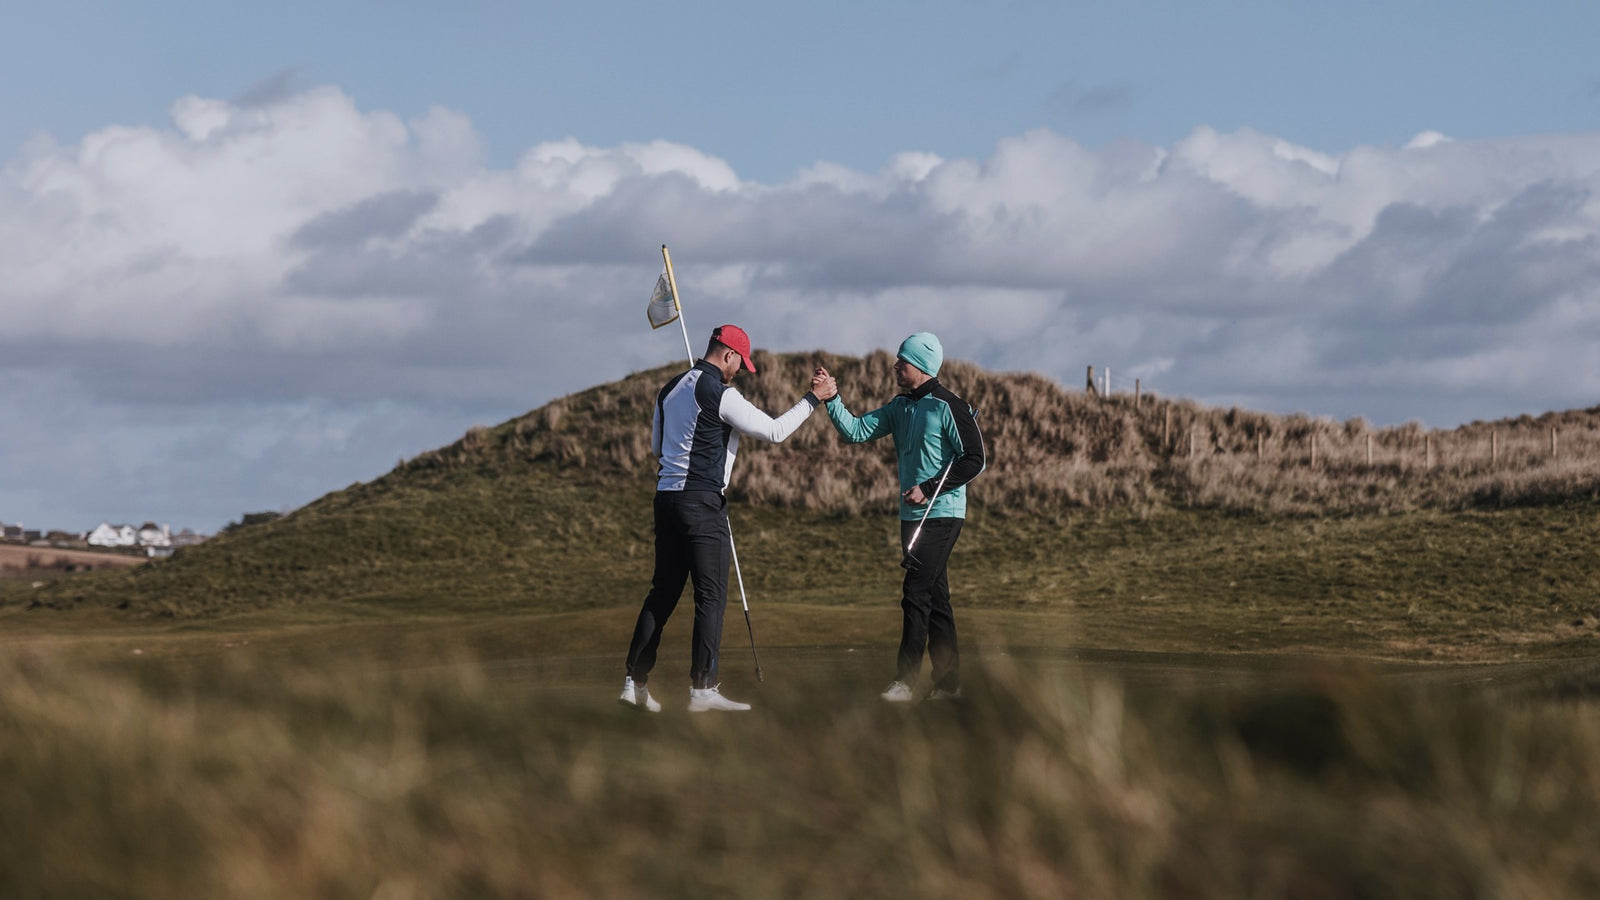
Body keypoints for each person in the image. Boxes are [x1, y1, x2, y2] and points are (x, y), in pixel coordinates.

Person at [620, 325, 835, 713]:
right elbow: (773, 431)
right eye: (740, 364)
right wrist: (813, 399)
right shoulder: (720, 392)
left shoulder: (669, 389)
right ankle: (702, 690)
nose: (738, 372)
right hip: (702, 503)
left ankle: (634, 683)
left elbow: (657, 447)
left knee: (663, 593)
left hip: (665, 500)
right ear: (729, 355)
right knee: (711, 596)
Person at [812, 333, 985, 702]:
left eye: (901, 362)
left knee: (915, 593)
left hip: (942, 513)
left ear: (921, 367)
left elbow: (974, 459)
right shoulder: (900, 406)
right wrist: (832, 400)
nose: (895, 366)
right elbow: (856, 431)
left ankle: (905, 682)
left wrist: (929, 485)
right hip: (911, 515)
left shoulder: (949, 405)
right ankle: (948, 683)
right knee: (936, 598)